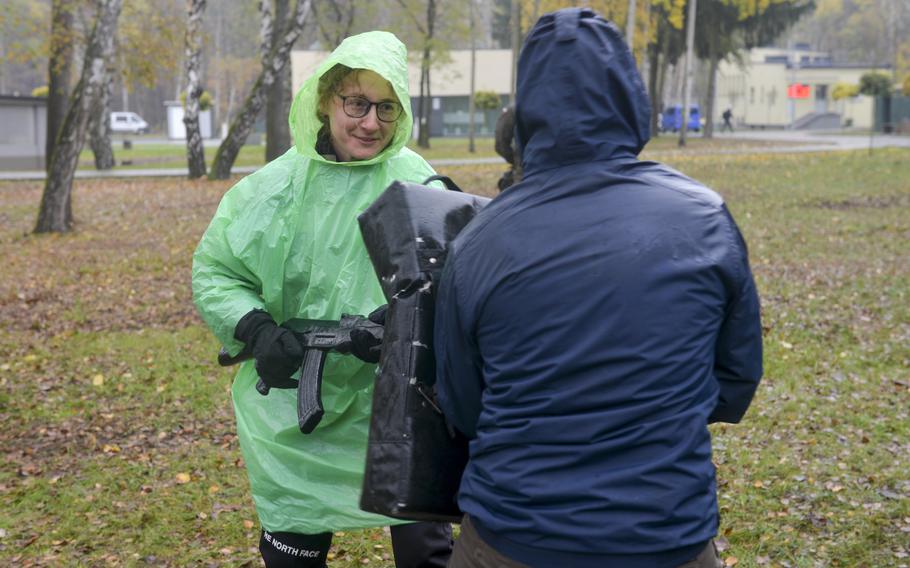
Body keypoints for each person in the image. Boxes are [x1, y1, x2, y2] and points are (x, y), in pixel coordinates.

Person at [434, 9, 762, 568]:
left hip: (515, 534)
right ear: (633, 101)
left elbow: (463, 405)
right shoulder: (705, 217)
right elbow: (734, 384)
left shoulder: (478, 241)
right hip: (667, 533)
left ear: (520, 117)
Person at [192, 31, 452, 568]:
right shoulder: (273, 189)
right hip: (296, 403)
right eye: (356, 103)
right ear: (326, 100)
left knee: (426, 549)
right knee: (294, 553)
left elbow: (452, 272)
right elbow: (216, 270)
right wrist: (258, 330)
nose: (370, 122)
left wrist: (407, 316)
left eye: (386, 107)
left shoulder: (418, 183)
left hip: (396, 395)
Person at [493, 105, 521, 191]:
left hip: (526, 177)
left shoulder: (518, 108)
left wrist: (517, 160)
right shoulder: (561, 105)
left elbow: (500, 143)